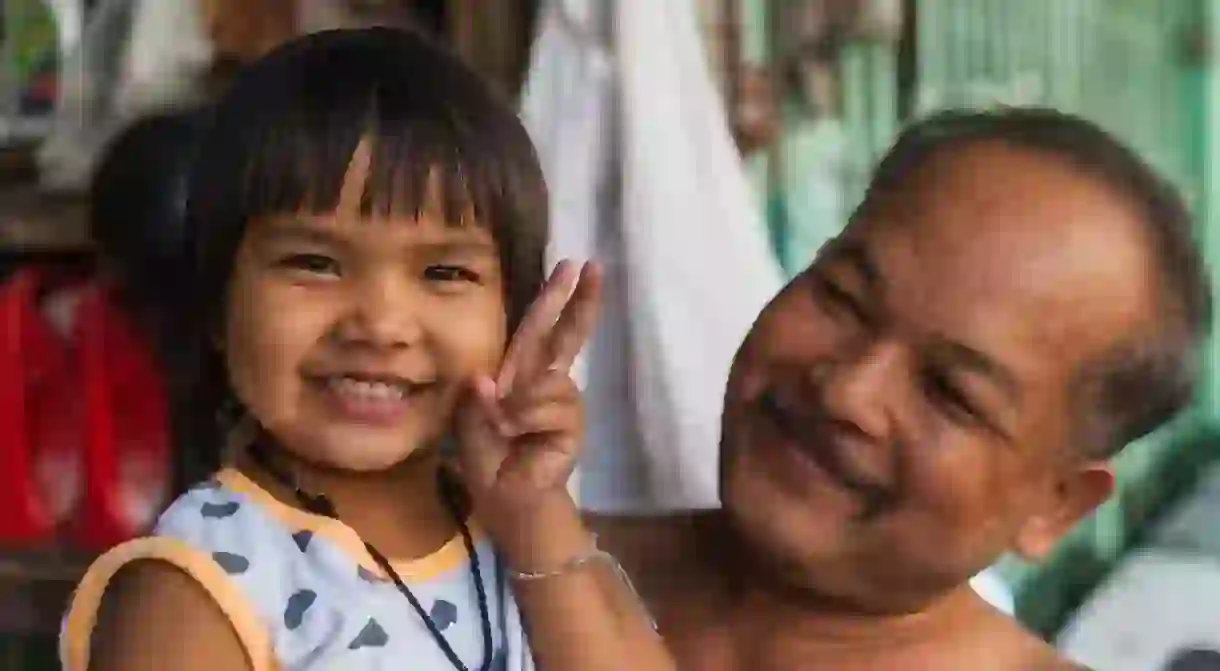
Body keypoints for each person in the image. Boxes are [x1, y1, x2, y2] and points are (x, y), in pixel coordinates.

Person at [60, 27, 668, 671]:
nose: (381, 325)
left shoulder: (521, 538)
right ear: (218, 304)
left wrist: (535, 511)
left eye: (444, 273)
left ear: (511, 318)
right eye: (316, 263)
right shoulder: (196, 588)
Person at [586, 108, 1212, 670]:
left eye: (950, 392)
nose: (848, 393)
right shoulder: (519, 571)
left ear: (1057, 505)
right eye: (842, 298)